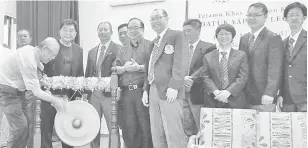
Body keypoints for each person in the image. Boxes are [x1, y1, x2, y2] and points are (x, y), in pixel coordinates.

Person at [0, 37, 66, 148]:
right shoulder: (28, 59)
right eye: (53, 54)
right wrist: (56, 100)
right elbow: (37, 92)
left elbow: (37, 82)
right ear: (44, 49)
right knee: (20, 127)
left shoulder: (33, 53)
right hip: (8, 93)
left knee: (26, 127)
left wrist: (47, 91)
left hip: (20, 93)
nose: (53, 58)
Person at [142, 9, 189, 148]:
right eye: (152, 19)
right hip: (153, 89)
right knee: (157, 131)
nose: (155, 21)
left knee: (173, 131)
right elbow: (149, 67)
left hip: (170, 90)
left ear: (167, 18)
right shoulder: (152, 43)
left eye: (158, 17)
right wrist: (146, 89)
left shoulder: (177, 35)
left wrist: (174, 86)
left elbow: (180, 63)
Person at [41, 19, 84, 148]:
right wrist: (45, 90)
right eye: (65, 30)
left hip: (69, 97)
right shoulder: (51, 46)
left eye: (71, 30)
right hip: (49, 96)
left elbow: (80, 73)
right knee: (46, 131)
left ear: (76, 33)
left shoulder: (79, 50)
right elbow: (41, 69)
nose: (68, 33)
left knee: (67, 129)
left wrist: (79, 95)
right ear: (59, 31)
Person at [114, 18, 153, 148]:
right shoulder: (122, 49)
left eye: (136, 28)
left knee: (145, 126)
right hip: (126, 94)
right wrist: (124, 68)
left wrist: (139, 68)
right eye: (130, 28)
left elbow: (154, 67)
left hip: (143, 92)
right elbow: (113, 69)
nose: (132, 31)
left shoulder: (150, 45)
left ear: (143, 29)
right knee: (129, 127)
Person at [239, 2, 284, 112]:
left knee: (265, 127)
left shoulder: (273, 37)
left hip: (264, 97)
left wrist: (270, 92)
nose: (252, 18)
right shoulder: (244, 38)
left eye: (256, 15)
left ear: (265, 17)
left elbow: (275, 68)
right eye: (249, 15)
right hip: (244, 96)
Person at [192, 23, 249, 109]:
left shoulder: (241, 55)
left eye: (227, 34)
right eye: (221, 34)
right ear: (216, 36)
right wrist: (216, 92)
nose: (224, 36)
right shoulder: (208, 56)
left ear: (233, 36)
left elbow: (243, 77)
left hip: (235, 100)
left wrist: (228, 92)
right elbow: (205, 76)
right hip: (213, 99)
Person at [85, 21, 121, 148]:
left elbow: (120, 72)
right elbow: (88, 73)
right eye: (100, 29)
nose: (102, 32)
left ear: (111, 32)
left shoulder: (118, 49)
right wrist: (86, 93)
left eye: (105, 29)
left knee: (113, 126)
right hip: (94, 94)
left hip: (109, 94)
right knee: (94, 125)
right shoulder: (92, 51)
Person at [182, 19, 215, 136]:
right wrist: (182, 79)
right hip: (181, 94)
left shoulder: (209, 47)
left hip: (198, 94)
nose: (186, 34)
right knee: (186, 127)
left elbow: (206, 67)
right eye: (184, 31)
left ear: (198, 30)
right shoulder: (180, 49)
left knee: (201, 128)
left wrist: (190, 79)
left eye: (189, 31)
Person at [279, 2, 307, 112]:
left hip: (305, 99)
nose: (294, 18)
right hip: (287, 101)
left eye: (297, 15)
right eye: (290, 15)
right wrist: (280, 94)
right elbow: (282, 71)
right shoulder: (282, 43)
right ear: (285, 19)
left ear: (304, 17)